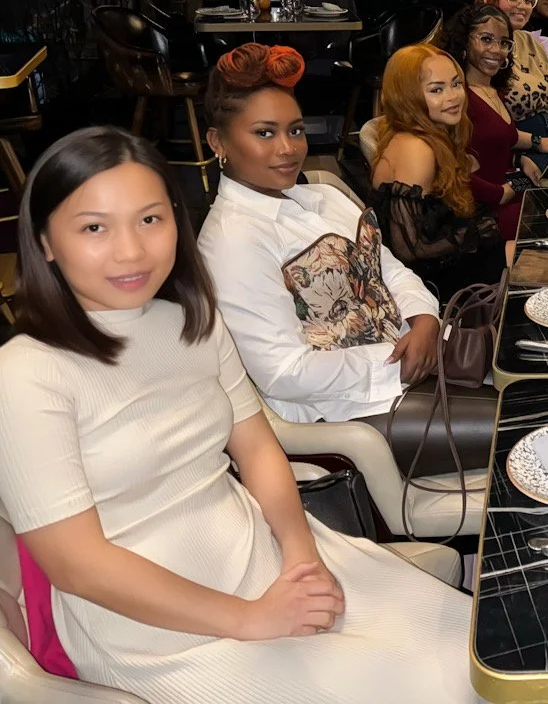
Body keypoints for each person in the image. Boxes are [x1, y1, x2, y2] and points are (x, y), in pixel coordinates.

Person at [0, 125, 480, 704]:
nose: (130, 250)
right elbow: (80, 567)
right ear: (46, 241)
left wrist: (301, 560)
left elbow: (256, 450)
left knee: (470, 652)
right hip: (150, 629)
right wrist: (252, 619)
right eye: (94, 227)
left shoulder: (190, 320)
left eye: (150, 219)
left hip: (260, 553)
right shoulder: (27, 374)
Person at [197, 44, 496, 478]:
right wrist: (401, 360)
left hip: (416, 363)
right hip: (346, 412)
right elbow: (284, 374)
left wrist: (425, 322)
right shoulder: (234, 240)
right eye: (264, 133)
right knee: (524, 423)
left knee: (545, 386)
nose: (287, 149)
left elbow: (391, 269)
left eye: (295, 130)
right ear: (218, 142)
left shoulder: (323, 196)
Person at [370, 43, 509, 301]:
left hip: (452, 270)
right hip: (439, 290)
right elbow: (409, 250)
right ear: (408, 97)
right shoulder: (416, 149)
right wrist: (477, 232)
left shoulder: (426, 136)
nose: (454, 96)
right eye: (437, 89)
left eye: (456, 84)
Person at [445, 4, 539, 240]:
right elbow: (449, 168)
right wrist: (499, 193)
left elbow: (490, 147)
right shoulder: (458, 97)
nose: (497, 50)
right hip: (484, 209)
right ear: (464, 41)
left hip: (510, 189)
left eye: (504, 43)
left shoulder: (494, 91)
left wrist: (520, 158)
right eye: (486, 39)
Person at [475, 0, 548, 171]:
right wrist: (538, 143)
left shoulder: (530, 41)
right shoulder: (480, 50)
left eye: (528, 0)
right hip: (513, 158)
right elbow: (487, 126)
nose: (522, 5)